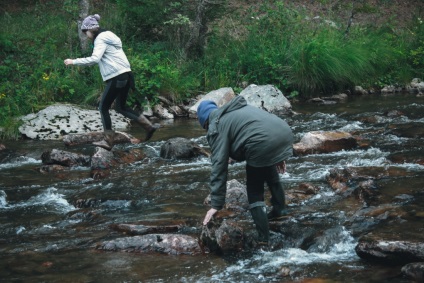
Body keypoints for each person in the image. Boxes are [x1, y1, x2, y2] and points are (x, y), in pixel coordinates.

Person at [197, 96, 293, 246]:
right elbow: (264, 128)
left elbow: (219, 166)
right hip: (283, 131)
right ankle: (280, 211)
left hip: (261, 142)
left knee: (254, 189)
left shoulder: (216, 125)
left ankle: (263, 239)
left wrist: (216, 204)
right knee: (265, 166)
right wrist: (278, 155)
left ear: (204, 121)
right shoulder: (238, 110)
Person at [64, 14, 158, 150]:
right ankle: (149, 126)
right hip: (126, 74)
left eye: (86, 33)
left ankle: (108, 141)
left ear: (91, 30)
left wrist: (74, 61)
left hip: (116, 76)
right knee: (121, 107)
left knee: (103, 108)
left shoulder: (100, 39)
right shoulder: (109, 35)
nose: (86, 36)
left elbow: (95, 59)